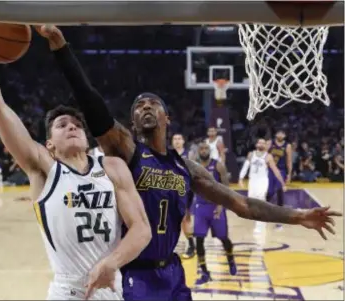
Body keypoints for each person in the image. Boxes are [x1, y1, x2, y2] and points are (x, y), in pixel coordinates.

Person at [39, 24, 341, 301]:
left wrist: (297, 216)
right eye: (139, 106)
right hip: (134, 274)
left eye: (152, 104)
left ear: (166, 117)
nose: (145, 107)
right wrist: (62, 49)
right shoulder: (128, 152)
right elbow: (93, 105)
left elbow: (243, 204)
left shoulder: (186, 168)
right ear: (131, 122)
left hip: (172, 272)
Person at [0, 10, 151, 301]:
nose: (72, 126)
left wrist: (111, 262)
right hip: (67, 291)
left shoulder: (113, 167)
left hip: (111, 289)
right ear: (49, 144)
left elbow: (142, 229)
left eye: (77, 124)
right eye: (62, 125)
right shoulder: (43, 168)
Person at [189, 142, 237, 285]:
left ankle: (231, 259)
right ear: (198, 151)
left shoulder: (218, 165)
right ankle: (204, 272)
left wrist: (221, 205)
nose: (204, 151)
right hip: (200, 207)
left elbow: (226, 188)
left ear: (210, 151)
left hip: (216, 207)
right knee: (199, 240)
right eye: (201, 148)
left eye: (206, 148)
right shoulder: (194, 167)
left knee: (224, 239)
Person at [239, 138, 286, 233]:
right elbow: (245, 166)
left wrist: (282, 183)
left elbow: (275, 170)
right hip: (252, 181)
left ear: (265, 146)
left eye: (263, 143)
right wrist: (240, 178)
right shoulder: (251, 154)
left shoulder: (268, 156)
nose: (261, 144)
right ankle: (261, 220)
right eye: (259, 142)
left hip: (262, 182)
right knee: (251, 203)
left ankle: (260, 225)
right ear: (256, 144)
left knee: (260, 201)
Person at [171, 133, 196, 260]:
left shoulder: (189, 154)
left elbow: (193, 172)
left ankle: (191, 244)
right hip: (170, 189)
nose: (177, 141)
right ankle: (170, 246)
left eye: (179, 139)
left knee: (185, 218)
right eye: (174, 139)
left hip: (185, 189)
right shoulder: (167, 154)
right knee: (170, 218)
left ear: (183, 141)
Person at [267, 129, 292, 206]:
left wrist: (289, 174)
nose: (280, 135)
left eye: (282, 133)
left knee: (279, 188)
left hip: (281, 170)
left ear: (285, 136)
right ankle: (265, 204)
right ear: (276, 134)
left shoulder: (287, 146)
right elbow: (264, 155)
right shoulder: (270, 143)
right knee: (270, 191)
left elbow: (289, 161)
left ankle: (280, 207)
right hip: (270, 169)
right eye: (279, 133)